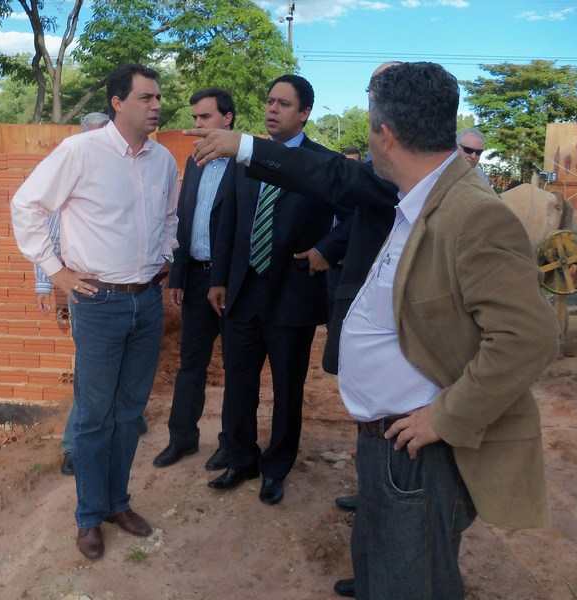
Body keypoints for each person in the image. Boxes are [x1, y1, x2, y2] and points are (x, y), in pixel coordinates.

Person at [186, 61, 558, 600]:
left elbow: (528, 338)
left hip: (420, 440)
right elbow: (332, 180)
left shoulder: (473, 213)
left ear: (384, 134)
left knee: (413, 576)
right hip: (383, 432)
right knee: (383, 549)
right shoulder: (413, 193)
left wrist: (447, 416)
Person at [12, 63, 178, 560]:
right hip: (99, 303)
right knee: (93, 415)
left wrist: (166, 254)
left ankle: (116, 503)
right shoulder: (80, 152)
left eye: (158, 97)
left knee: (129, 413)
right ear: (118, 103)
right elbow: (26, 205)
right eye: (146, 97)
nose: (156, 105)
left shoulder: (162, 160)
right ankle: (88, 516)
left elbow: (171, 215)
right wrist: (55, 271)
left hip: (146, 301)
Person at [206, 74, 347, 506]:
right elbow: (228, 219)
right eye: (269, 101)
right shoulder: (246, 157)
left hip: (293, 295)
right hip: (243, 292)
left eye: (283, 104)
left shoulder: (325, 163)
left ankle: (277, 466)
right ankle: (242, 458)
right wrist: (218, 278)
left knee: (288, 390)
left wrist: (326, 249)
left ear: (304, 113)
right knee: (239, 384)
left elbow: (356, 218)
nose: (272, 109)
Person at [31, 112, 147, 478]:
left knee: (119, 368)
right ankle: (75, 447)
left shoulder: (127, 172)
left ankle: (124, 421)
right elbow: (48, 230)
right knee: (91, 376)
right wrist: (47, 281)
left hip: (129, 292)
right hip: (90, 292)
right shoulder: (75, 170)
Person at [152, 88, 237, 471]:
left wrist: (226, 277)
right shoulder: (195, 161)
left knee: (237, 367)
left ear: (227, 118)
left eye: (205, 117)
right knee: (191, 364)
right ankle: (181, 438)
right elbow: (184, 220)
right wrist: (178, 275)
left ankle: (232, 445)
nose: (197, 124)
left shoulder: (246, 164)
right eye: (195, 118)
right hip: (196, 279)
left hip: (233, 284)